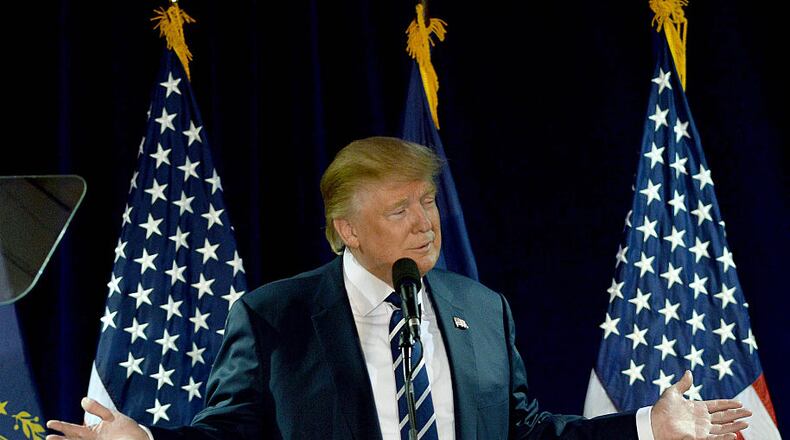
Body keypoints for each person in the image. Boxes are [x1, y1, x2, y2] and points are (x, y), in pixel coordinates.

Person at [47, 137, 751, 440]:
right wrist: (143, 436)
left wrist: (646, 426)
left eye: (428, 203)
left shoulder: (482, 308)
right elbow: (227, 436)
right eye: (399, 210)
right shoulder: (277, 318)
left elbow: (524, 432)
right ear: (346, 229)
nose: (424, 226)